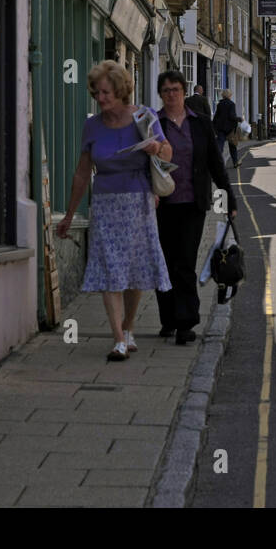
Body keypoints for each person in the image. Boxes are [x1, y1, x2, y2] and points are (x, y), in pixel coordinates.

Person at [57, 61, 173, 361]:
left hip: (138, 201)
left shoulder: (143, 116)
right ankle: (118, 339)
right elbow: (82, 173)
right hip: (106, 203)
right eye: (96, 92)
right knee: (111, 270)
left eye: (106, 92)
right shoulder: (92, 125)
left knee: (134, 269)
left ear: (120, 91)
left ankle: (129, 326)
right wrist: (70, 214)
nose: (100, 98)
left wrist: (156, 149)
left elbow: (167, 150)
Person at [156, 70, 237, 344]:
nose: (171, 95)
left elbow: (216, 165)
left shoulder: (201, 124)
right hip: (161, 204)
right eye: (166, 90)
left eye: (175, 89)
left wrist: (230, 200)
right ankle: (168, 319)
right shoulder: (154, 124)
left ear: (184, 91)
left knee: (186, 262)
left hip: (193, 203)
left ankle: (186, 323)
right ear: (160, 94)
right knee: (166, 262)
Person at [213, 88, 242, 168]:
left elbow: (216, 117)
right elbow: (232, 116)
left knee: (220, 146)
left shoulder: (220, 104)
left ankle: (217, 163)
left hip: (220, 129)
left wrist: (214, 127)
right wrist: (239, 119)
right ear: (229, 95)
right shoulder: (231, 104)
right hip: (230, 129)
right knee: (232, 146)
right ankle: (235, 162)